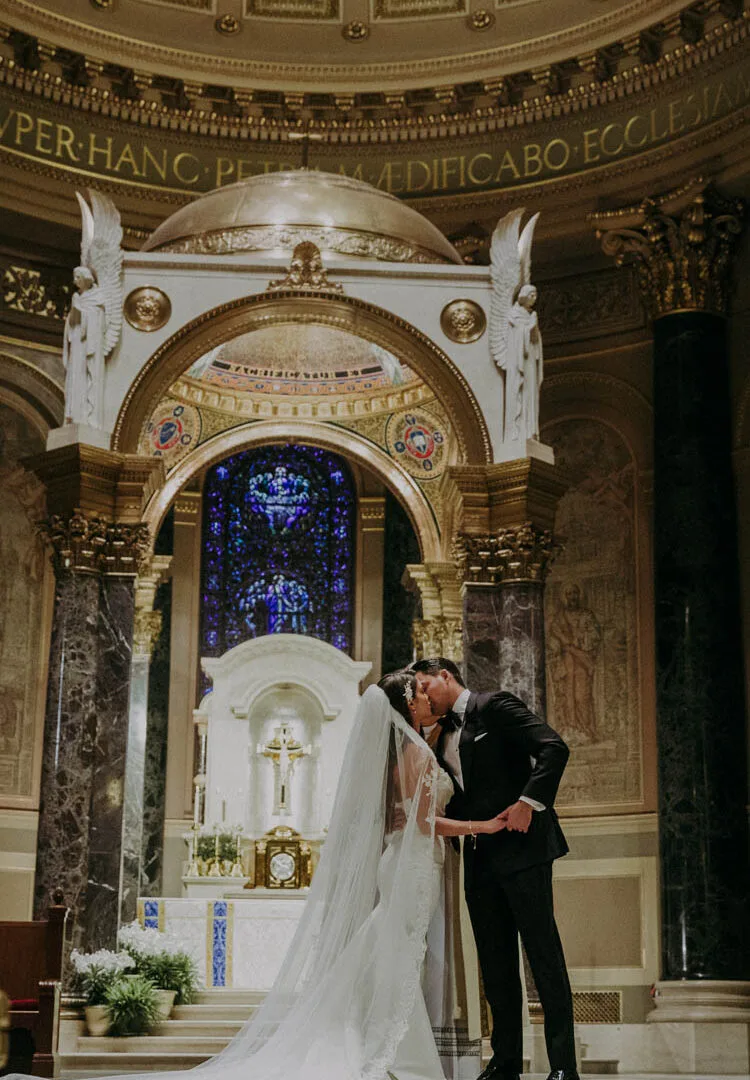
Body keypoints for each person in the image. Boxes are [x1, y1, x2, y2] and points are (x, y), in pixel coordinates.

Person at [10, 677, 504, 1080]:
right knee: (395, 953)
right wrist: (481, 824)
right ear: (406, 706)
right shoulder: (414, 752)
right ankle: (397, 1051)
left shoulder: (412, 747)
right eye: (418, 692)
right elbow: (418, 821)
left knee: (390, 950)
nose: (426, 696)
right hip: (414, 863)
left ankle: (384, 1039)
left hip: (411, 862)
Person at [411, 657, 577, 1080]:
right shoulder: (439, 734)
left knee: (544, 959)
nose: (423, 694)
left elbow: (553, 747)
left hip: (524, 851)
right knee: (496, 965)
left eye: (426, 684)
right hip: (480, 859)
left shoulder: (496, 707)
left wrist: (529, 802)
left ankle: (563, 1067)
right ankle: (504, 1063)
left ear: (446, 676)